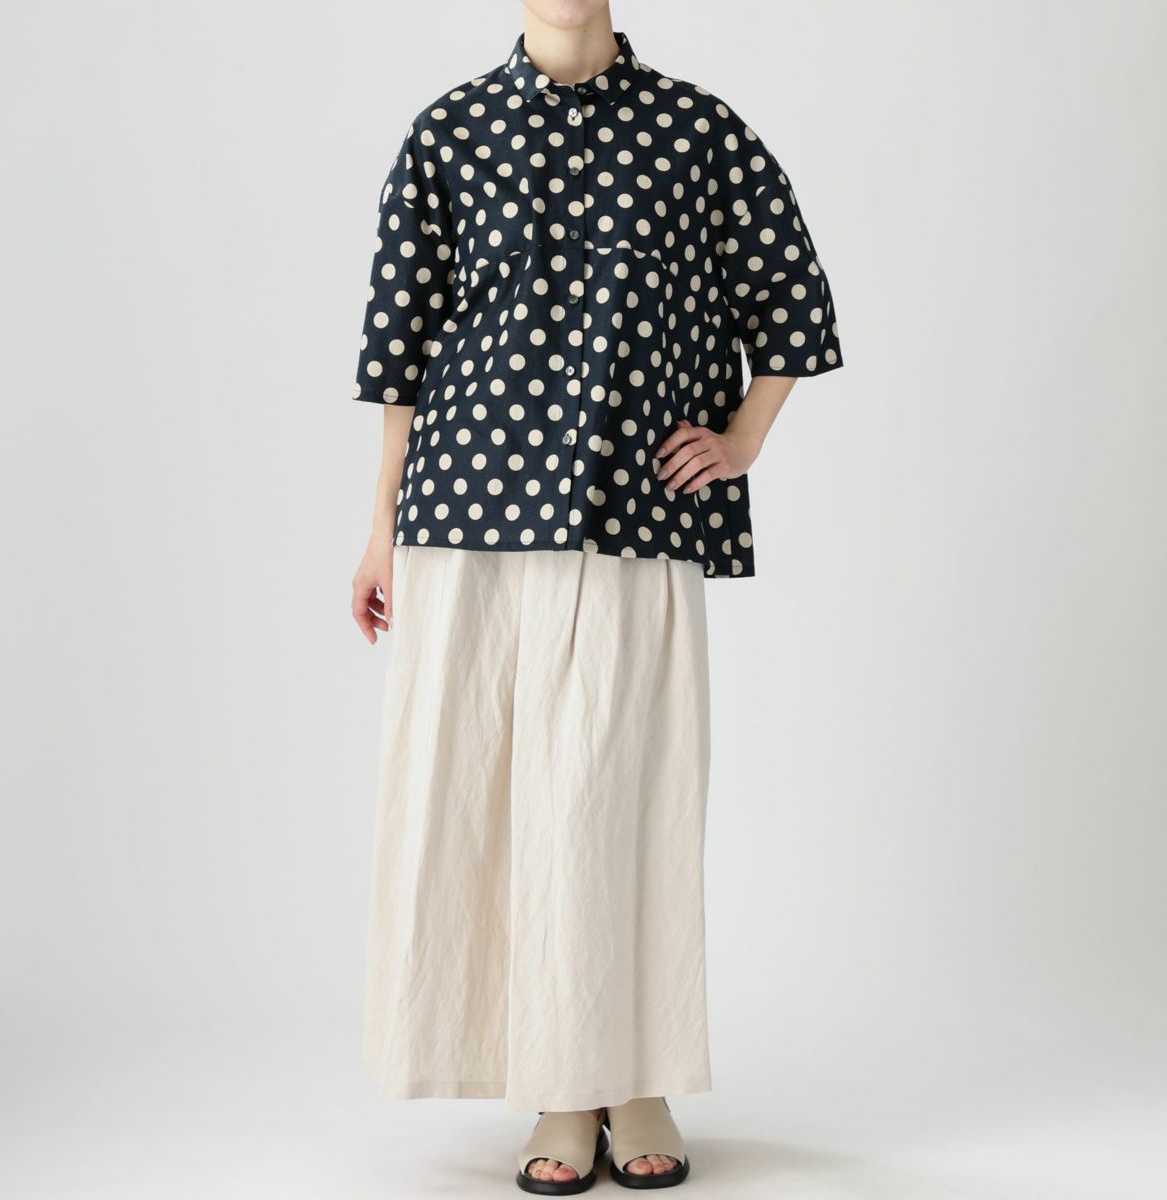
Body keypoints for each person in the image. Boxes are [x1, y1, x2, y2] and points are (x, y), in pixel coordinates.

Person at [349, 1, 843, 1192]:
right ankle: (559, 1086)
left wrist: (742, 438)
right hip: (465, 511)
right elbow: (403, 343)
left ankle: (635, 1074)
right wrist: (378, 528)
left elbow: (791, 297)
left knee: (620, 799)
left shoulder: (696, 130)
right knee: (498, 798)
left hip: (634, 507)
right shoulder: (451, 131)